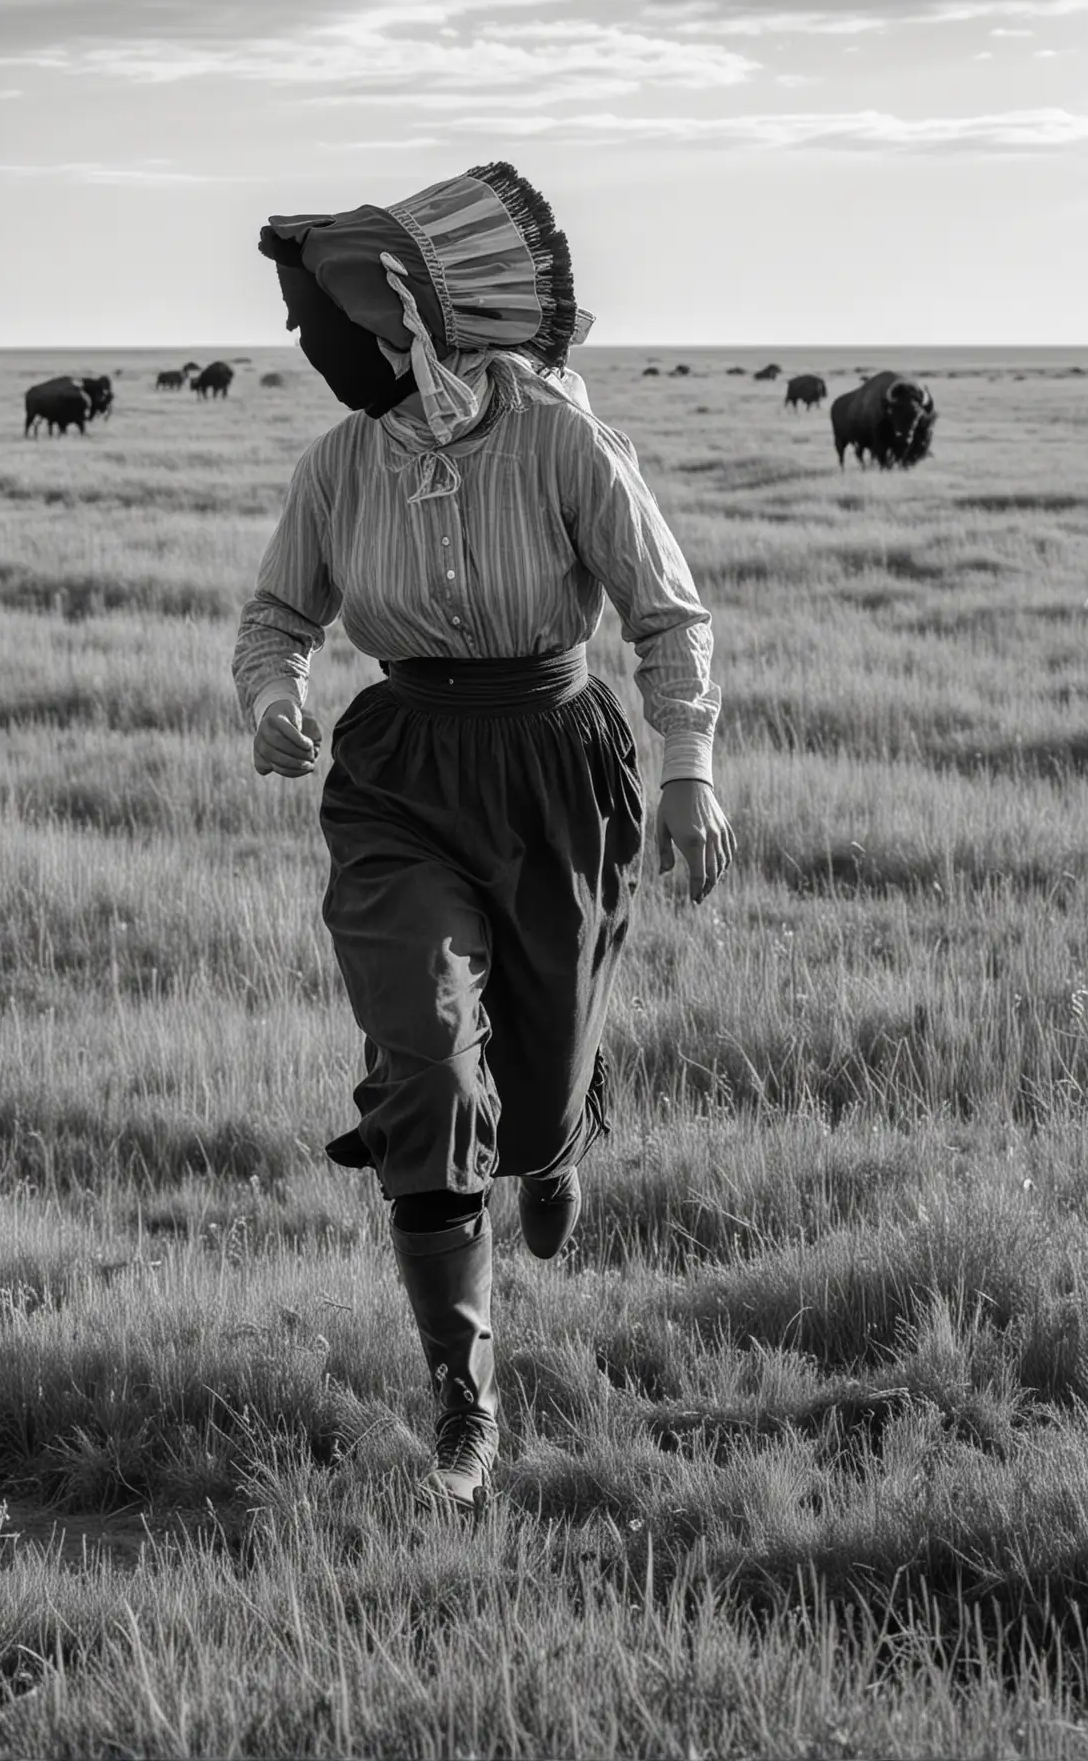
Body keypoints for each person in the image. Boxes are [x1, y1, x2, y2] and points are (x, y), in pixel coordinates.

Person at [232, 160, 734, 1511]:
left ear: (415, 323)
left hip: (555, 768)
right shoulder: (338, 466)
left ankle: (554, 1144)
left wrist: (688, 770)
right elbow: (278, 618)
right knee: (430, 1063)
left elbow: (667, 616)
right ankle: (465, 1406)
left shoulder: (565, 443)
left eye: (337, 323)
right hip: (400, 776)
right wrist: (276, 696)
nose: (316, 349)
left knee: (537, 1078)